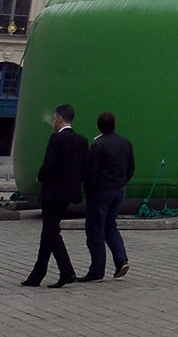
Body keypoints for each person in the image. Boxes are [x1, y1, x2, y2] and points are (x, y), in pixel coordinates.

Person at [22, 103, 90, 288]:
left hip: (53, 192)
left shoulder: (56, 139)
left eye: (54, 118)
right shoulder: (82, 141)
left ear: (59, 118)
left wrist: (40, 175)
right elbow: (85, 168)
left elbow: (49, 164)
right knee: (48, 231)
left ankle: (67, 271)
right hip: (69, 193)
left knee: (52, 232)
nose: (53, 121)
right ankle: (37, 274)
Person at [82, 111, 134, 281]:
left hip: (100, 192)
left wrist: (89, 189)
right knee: (110, 225)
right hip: (119, 190)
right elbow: (131, 167)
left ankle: (97, 270)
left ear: (98, 126)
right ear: (115, 124)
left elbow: (91, 172)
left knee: (95, 229)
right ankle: (121, 260)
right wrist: (122, 182)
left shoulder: (98, 145)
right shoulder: (125, 143)